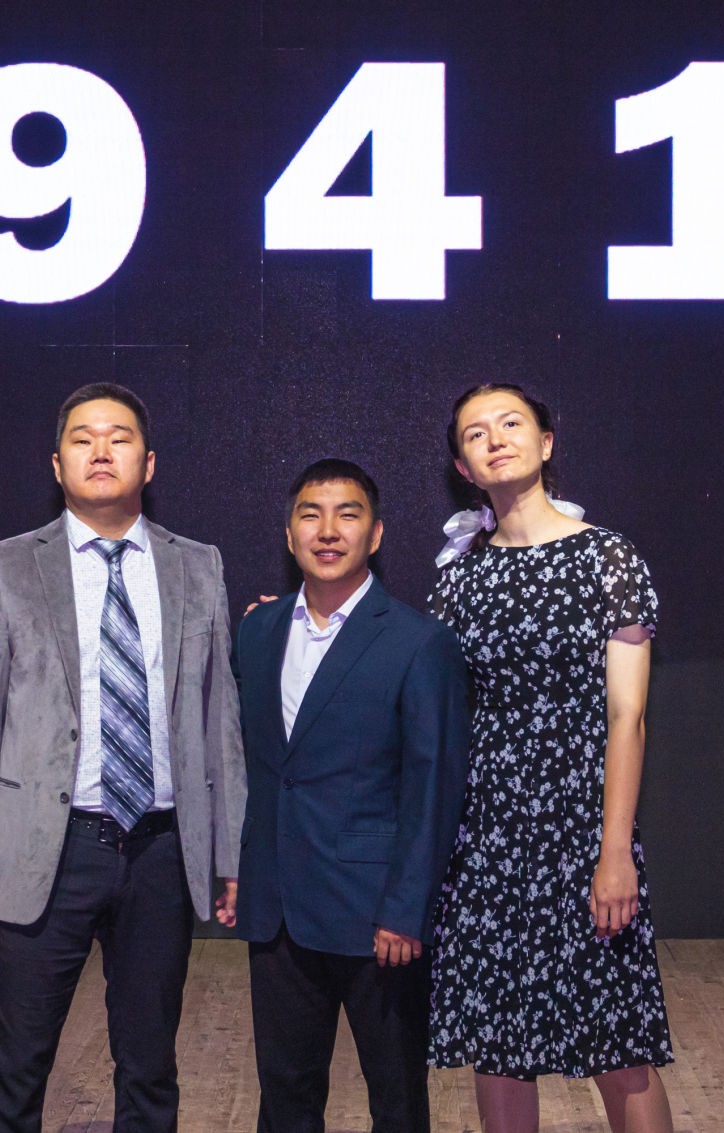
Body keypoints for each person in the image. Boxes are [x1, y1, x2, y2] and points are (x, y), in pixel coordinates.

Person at [0, 382, 247, 1133]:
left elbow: (219, 717)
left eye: (118, 437)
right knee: (16, 1062)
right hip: (49, 846)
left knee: (150, 1066)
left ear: (147, 463)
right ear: (57, 464)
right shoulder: (8, 565)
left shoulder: (198, 565)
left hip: (160, 848)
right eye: (82, 439)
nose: (100, 450)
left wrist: (228, 850)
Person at [427, 385, 676, 1133]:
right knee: (498, 1045)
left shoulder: (606, 558)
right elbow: (427, 695)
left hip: (582, 831)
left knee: (617, 1042)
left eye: (511, 424)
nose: (495, 439)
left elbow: (628, 717)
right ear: (463, 466)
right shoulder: (459, 577)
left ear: (546, 442)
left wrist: (614, 851)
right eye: (476, 433)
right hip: (487, 838)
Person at [232, 459, 471, 1133]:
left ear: (376, 533)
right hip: (278, 909)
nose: (328, 530)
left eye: (348, 514)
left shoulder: (420, 642)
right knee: (285, 1094)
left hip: (377, 916)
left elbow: (434, 787)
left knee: (396, 1097)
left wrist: (406, 909)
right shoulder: (257, 630)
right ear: (289, 535)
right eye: (310, 515)